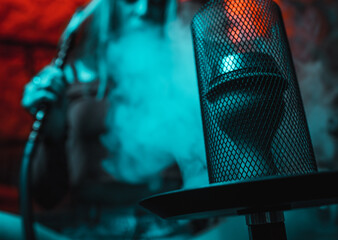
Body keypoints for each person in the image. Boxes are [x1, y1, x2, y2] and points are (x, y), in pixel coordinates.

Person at [21, 0, 214, 239]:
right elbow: (46, 196)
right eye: (131, 0)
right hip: (90, 228)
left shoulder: (187, 71)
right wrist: (52, 130)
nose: (144, 9)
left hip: (171, 228)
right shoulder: (71, 79)